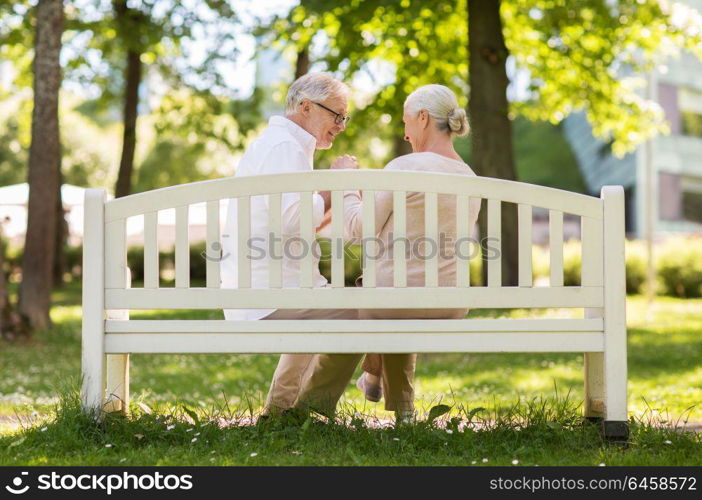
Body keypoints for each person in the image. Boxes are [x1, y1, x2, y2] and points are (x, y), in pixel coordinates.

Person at [293, 84, 482, 423]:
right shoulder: (468, 175)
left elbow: (357, 230)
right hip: (451, 302)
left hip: (396, 300)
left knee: (360, 308)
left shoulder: (405, 167)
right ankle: (402, 411)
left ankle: (310, 410)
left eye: (407, 122)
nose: (406, 133)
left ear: (423, 118)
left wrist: (345, 182)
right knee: (398, 298)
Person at [220, 72, 360, 416]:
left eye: (345, 117)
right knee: (365, 313)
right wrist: (334, 186)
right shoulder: (285, 148)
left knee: (330, 306)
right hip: (268, 294)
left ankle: (280, 413)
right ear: (306, 106)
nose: (341, 125)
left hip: (271, 289)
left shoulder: (286, 145)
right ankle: (307, 411)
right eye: (336, 115)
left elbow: (298, 226)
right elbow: (294, 221)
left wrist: (334, 195)